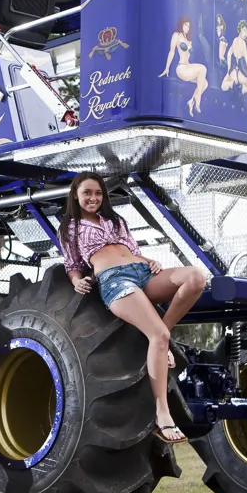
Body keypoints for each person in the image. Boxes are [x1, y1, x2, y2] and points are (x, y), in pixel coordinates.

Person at [58, 171, 206, 444]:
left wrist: (150, 260)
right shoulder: (71, 226)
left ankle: (166, 338)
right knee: (157, 335)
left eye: (98, 193)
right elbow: (72, 264)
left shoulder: (116, 220)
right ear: (76, 196)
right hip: (114, 280)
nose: (93, 198)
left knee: (196, 277)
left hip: (142, 271)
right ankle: (162, 414)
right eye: (87, 193)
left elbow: (131, 250)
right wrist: (77, 280)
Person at [159, 16, 209, 116]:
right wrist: (167, 67)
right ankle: (197, 104)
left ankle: (191, 102)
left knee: (205, 83)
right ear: (181, 24)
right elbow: (172, 52)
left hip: (188, 67)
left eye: (189, 26)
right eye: (185, 25)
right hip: (181, 68)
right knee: (203, 68)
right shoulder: (176, 35)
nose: (187, 27)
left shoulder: (188, 39)